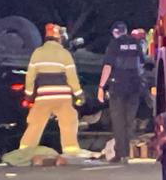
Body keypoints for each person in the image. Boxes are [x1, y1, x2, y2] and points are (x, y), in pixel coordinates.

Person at [19, 23, 85, 155]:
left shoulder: (37, 53)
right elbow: (71, 77)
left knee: (35, 123)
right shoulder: (65, 54)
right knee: (69, 120)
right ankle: (70, 150)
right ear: (59, 38)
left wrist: (28, 95)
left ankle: (25, 151)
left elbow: (30, 77)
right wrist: (79, 94)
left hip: (43, 97)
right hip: (63, 98)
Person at [98, 21, 145, 163]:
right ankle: (129, 153)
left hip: (118, 87)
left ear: (115, 32)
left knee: (118, 121)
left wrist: (101, 87)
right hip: (134, 87)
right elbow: (141, 64)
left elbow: (108, 66)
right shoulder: (136, 44)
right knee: (129, 121)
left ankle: (121, 153)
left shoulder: (114, 44)